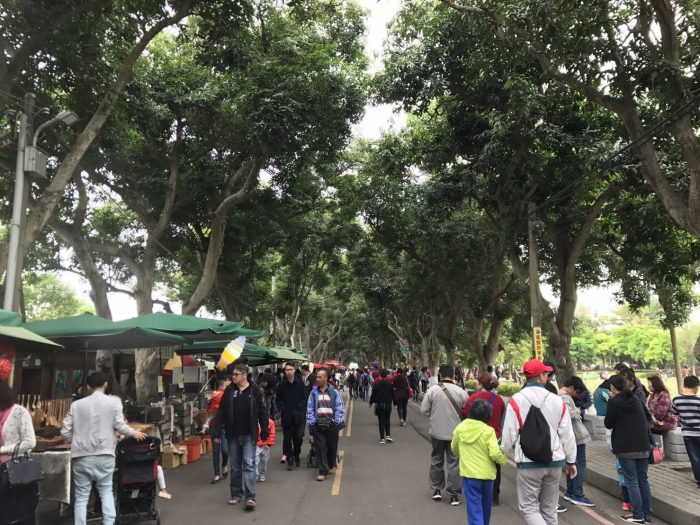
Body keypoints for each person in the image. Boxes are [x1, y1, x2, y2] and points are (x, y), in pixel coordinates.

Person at [61, 371, 147, 525]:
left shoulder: (76, 405)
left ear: (87, 386)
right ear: (106, 384)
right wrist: (134, 433)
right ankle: (108, 522)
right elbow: (120, 425)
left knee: (81, 497)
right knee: (106, 491)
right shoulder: (114, 402)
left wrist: (74, 441)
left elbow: (65, 430)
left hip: (81, 455)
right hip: (105, 453)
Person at [501, 359, 577, 525]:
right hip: (555, 462)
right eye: (546, 373)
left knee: (529, 508)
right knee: (549, 509)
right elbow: (567, 435)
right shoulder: (557, 400)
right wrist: (571, 461)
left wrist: (502, 453)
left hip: (528, 462)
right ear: (541, 376)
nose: (547, 376)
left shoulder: (516, 400)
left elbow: (508, 435)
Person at [215, 363, 269, 511]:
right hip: (232, 434)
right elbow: (221, 412)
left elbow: (263, 412)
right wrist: (217, 430)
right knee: (236, 467)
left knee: (249, 465)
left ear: (244, 375)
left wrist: (265, 430)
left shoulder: (255, 391)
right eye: (232, 374)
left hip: (248, 435)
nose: (232, 377)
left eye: (235, 374)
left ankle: (250, 497)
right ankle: (236, 494)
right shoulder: (229, 391)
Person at [604, 374, 653, 524]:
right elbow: (648, 417)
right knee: (643, 480)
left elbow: (608, 423)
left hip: (625, 446)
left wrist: (611, 401)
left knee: (632, 481)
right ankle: (647, 514)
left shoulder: (614, 402)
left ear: (612, 387)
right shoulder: (636, 399)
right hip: (643, 444)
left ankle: (637, 515)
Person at [451, 399, 507, 525]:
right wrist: (503, 460)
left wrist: (463, 453)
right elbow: (494, 453)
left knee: (474, 509)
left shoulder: (460, 428)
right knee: (486, 508)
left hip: (470, 476)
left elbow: (454, 449)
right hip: (487, 476)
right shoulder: (488, 431)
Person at [421, 364, 467, 506]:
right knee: (454, 463)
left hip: (437, 432)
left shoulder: (433, 390)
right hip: (455, 434)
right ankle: (454, 495)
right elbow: (466, 413)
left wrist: (434, 415)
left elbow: (424, 410)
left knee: (437, 460)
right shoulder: (461, 392)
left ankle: (436, 490)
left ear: (440, 375)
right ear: (454, 376)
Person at [0, 359, 37, 525]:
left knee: (16, 512)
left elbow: (30, 442)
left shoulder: (19, 412)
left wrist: (2, 450)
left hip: (13, 470)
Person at [462, 372, 505, 506]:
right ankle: (494, 496)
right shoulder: (499, 400)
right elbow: (502, 416)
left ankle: (477, 493)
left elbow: (464, 414)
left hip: (476, 437)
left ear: (480, 383)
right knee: (495, 466)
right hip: (495, 436)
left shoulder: (473, 398)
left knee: (476, 463)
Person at [560, 376, 595, 507]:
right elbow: (568, 414)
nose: (576, 395)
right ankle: (578, 494)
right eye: (577, 392)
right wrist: (578, 410)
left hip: (569, 436)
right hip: (575, 436)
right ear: (571, 388)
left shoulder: (559, 396)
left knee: (571, 464)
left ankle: (570, 492)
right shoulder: (564, 397)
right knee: (579, 464)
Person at [307, 368, 345, 481]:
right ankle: (322, 471)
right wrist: (312, 423)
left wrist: (336, 422)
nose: (317, 379)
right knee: (320, 447)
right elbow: (309, 408)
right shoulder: (313, 393)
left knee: (332, 447)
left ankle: (331, 464)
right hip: (318, 426)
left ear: (326, 378)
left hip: (332, 425)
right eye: (317, 377)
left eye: (320, 377)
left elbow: (340, 407)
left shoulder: (334, 392)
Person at [276, 362, 306, 470]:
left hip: (299, 416)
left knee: (298, 437)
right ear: (285, 371)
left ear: (294, 370)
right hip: (287, 416)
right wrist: (281, 409)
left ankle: (296, 454)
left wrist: (302, 409)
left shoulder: (301, 384)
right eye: (287, 370)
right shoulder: (281, 385)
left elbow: (305, 398)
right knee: (287, 439)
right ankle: (290, 459)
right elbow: (278, 400)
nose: (289, 371)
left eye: (291, 369)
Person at [671, 375, 700, 488]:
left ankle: (699, 480)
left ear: (684, 385)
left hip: (687, 433)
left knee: (694, 457)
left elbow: (676, 414)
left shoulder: (676, 399)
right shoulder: (698, 400)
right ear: (696, 386)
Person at [206, 377, 230, 483]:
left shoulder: (224, 395)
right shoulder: (217, 396)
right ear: (221, 386)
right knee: (216, 451)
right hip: (214, 427)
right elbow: (209, 411)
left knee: (225, 450)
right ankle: (216, 474)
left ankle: (224, 465)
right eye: (225, 385)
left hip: (224, 427)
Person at [369, 369, 394, 443]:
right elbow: (393, 394)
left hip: (379, 405)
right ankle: (388, 436)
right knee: (387, 420)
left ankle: (382, 438)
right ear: (386, 375)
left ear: (380, 375)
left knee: (381, 421)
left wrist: (370, 403)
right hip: (388, 405)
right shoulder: (390, 385)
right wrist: (395, 403)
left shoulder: (377, 384)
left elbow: (373, 395)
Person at [255, 416, 275, 482]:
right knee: (255, 460)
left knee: (264, 461)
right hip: (256, 445)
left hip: (265, 445)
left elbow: (272, 434)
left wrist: (269, 444)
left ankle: (262, 473)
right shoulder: (253, 422)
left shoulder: (270, 422)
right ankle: (255, 475)